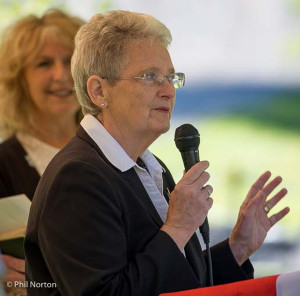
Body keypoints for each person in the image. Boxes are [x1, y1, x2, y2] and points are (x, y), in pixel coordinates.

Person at [25, 10, 290, 295]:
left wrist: (238, 247)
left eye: (171, 77)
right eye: (150, 76)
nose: (168, 90)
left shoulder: (151, 166)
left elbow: (177, 279)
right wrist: (177, 227)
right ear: (99, 91)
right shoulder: (77, 178)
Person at [0, 9, 84, 294]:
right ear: (17, 79)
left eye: (70, 61)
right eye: (44, 63)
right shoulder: (2, 163)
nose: (61, 75)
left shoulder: (117, 150)